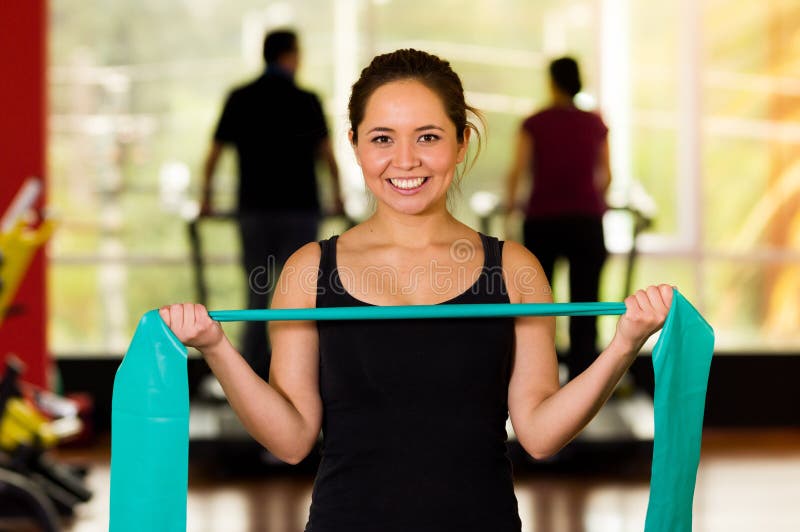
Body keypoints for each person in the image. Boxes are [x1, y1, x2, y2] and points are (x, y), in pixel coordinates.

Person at [163, 49, 672, 532]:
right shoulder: (308, 271)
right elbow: (292, 440)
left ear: (460, 142)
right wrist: (215, 347)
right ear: (356, 145)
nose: (405, 160)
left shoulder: (515, 270)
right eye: (382, 138)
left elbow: (539, 435)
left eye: (427, 137)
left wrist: (625, 344)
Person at [201, 29, 345, 379]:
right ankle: (303, 374)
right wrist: (337, 197)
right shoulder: (307, 99)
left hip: (254, 210)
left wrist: (205, 198)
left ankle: (249, 375)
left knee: (256, 292)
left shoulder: (240, 97)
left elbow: (214, 154)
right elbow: (327, 156)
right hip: (300, 209)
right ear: (291, 56)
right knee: (302, 294)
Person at [504, 56, 612, 381]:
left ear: (552, 82)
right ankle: (583, 378)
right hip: (585, 221)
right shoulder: (594, 122)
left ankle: (539, 378)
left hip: (543, 222)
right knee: (586, 303)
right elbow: (605, 175)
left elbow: (518, 170)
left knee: (539, 306)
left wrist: (510, 211)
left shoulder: (535, 122)